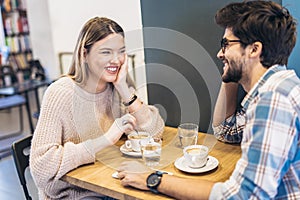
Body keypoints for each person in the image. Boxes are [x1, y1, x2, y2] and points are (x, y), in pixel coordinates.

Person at [117, 1, 300, 199]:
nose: (219, 53)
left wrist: (153, 179)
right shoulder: (278, 87)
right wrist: (232, 72)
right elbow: (227, 131)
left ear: (254, 50)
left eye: (226, 44)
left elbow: (242, 197)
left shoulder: (272, 100)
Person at [29, 17, 164, 199]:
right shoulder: (60, 93)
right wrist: (107, 138)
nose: (116, 60)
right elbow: (40, 168)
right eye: (106, 52)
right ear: (85, 54)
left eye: (121, 52)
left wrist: (124, 90)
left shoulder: (116, 85)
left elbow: (155, 133)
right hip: (74, 194)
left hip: (112, 184)